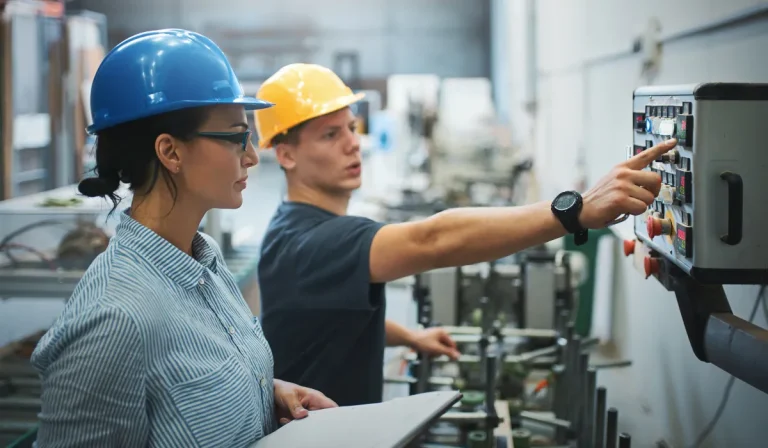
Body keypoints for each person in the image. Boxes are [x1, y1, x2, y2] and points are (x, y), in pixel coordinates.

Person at [253, 63, 677, 407]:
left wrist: (409, 337)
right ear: (285, 154)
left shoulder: (291, 228)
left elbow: (329, 318)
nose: (352, 144)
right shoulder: (314, 244)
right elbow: (435, 239)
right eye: (331, 134)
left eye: (350, 127)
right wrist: (574, 211)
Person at [30, 31, 336, 447]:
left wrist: (262, 392)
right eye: (234, 138)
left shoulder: (204, 265)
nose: (250, 156)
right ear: (170, 152)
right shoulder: (114, 319)